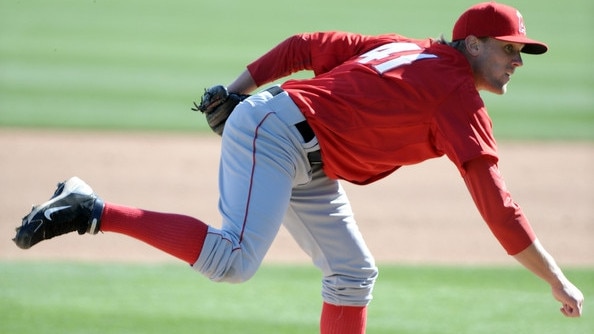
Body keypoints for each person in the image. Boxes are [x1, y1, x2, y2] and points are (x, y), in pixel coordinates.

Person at [14, 2, 583, 333]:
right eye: (509, 48)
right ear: (474, 43)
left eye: (520, 52)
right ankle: (91, 208)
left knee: (352, 276)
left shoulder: (406, 48)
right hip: (282, 133)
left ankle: (89, 205)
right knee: (232, 262)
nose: (516, 60)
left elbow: (306, 44)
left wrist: (231, 92)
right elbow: (497, 206)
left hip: (303, 153)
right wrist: (554, 278)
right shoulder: (456, 91)